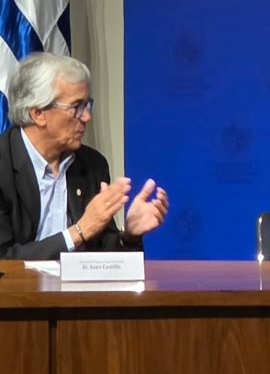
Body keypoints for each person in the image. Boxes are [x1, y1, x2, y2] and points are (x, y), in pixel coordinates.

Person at [0, 53, 169, 260]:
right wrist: (78, 232)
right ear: (38, 113)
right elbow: (3, 260)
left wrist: (129, 237)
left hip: (77, 293)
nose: (87, 117)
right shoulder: (3, 164)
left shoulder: (92, 165)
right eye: (76, 107)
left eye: (87, 105)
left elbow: (102, 260)